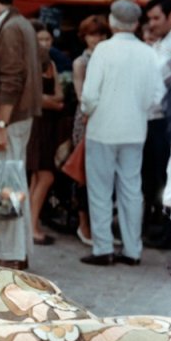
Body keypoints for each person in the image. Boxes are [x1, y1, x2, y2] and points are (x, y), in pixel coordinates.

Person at [79, 0, 165, 266]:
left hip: (102, 129)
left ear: (112, 22)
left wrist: (87, 111)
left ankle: (103, 248)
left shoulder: (103, 50)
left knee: (100, 190)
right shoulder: (148, 53)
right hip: (135, 130)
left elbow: (89, 95)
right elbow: (157, 96)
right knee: (131, 189)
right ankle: (132, 250)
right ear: (137, 24)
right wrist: (139, 112)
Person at [0, 0, 42, 270]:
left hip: (11, 118)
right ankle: (20, 252)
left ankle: (11, 255)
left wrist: (1, 125)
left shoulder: (8, 29)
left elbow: (11, 80)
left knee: (5, 186)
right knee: (16, 185)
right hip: (22, 116)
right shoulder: (23, 24)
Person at [71, 15, 111, 247]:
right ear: (84, 36)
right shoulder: (81, 62)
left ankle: (99, 227)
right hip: (86, 118)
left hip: (108, 119)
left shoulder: (109, 57)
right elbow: (81, 95)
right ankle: (83, 223)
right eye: (92, 34)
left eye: (101, 34)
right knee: (83, 174)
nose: (97, 39)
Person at [142, 0, 171, 250]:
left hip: (167, 121)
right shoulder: (163, 42)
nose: (152, 24)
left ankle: (168, 234)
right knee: (158, 176)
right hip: (158, 119)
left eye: (156, 18)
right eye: (150, 19)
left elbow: (154, 76)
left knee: (167, 178)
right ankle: (161, 229)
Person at [27, 20, 64, 246]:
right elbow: (32, 98)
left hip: (48, 124)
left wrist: (47, 101)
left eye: (47, 39)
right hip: (36, 124)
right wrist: (50, 102)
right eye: (40, 39)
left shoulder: (51, 63)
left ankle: (31, 225)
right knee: (44, 175)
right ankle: (32, 227)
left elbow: (59, 94)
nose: (44, 43)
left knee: (38, 177)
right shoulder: (30, 62)